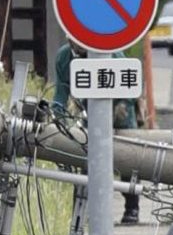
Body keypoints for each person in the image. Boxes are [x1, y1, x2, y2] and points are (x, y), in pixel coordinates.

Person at [54, 42, 143, 224]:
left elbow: (131, 84)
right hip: (91, 108)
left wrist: (118, 110)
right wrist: (57, 121)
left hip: (120, 106)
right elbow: (60, 95)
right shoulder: (64, 58)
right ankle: (82, 209)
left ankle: (132, 206)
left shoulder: (110, 53)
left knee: (127, 155)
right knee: (87, 154)